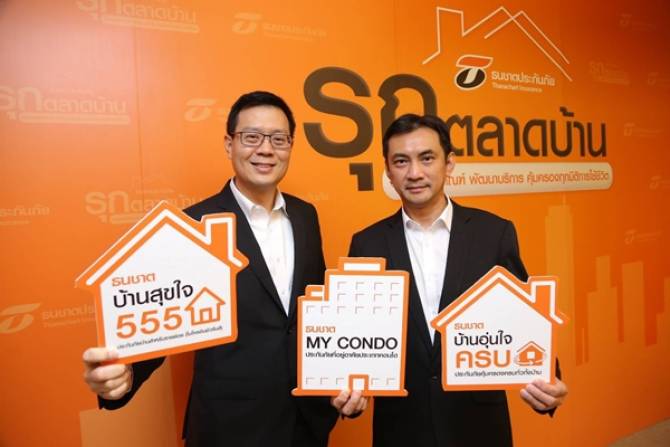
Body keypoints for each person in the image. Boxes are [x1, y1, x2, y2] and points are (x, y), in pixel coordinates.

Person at [82, 91, 364, 446]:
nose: (266, 149)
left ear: (290, 146)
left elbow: (315, 313)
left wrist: (345, 377)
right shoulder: (195, 224)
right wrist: (123, 377)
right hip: (229, 428)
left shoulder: (306, 216)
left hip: (305, 424)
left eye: (279, 139)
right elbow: (161, 318)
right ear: (229, 144)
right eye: (252, 137)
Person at [347, 113, 568, 446]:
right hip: (401, 426)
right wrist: (346, 391)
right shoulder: (367, 243)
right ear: (389, 171)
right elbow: (357, 334)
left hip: (477, 424)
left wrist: (547, 379)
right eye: (401, 161)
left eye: (427, 158)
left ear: (449, 163)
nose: (415, 173)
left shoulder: (493, 233)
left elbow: (525, 317)